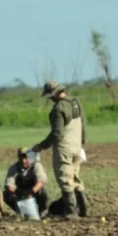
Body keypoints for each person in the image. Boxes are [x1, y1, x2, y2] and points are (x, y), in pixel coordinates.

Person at [31, 81, 88, 219]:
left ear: (54, 95)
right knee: (75, 178)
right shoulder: (76, 103)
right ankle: (83, 209)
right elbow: (83, 125)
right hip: (77, 146)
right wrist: (81, 143)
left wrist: (42, 145)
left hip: (65, 148)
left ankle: (71, 212)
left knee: (66, 180)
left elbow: (57, 133)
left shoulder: (58, 109)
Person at [4, 146, 49, 216]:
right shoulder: (13, 168)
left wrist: (31, 192)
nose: (23, 160)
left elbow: (41, 181)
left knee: (42, 192)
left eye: (26, 157)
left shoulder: (36, 165)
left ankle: (41, 210)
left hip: (33, 192)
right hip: (20, 192)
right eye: (21, 157)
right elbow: (9, 183)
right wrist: (12, 194)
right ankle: (20, 211)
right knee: (6, 194)